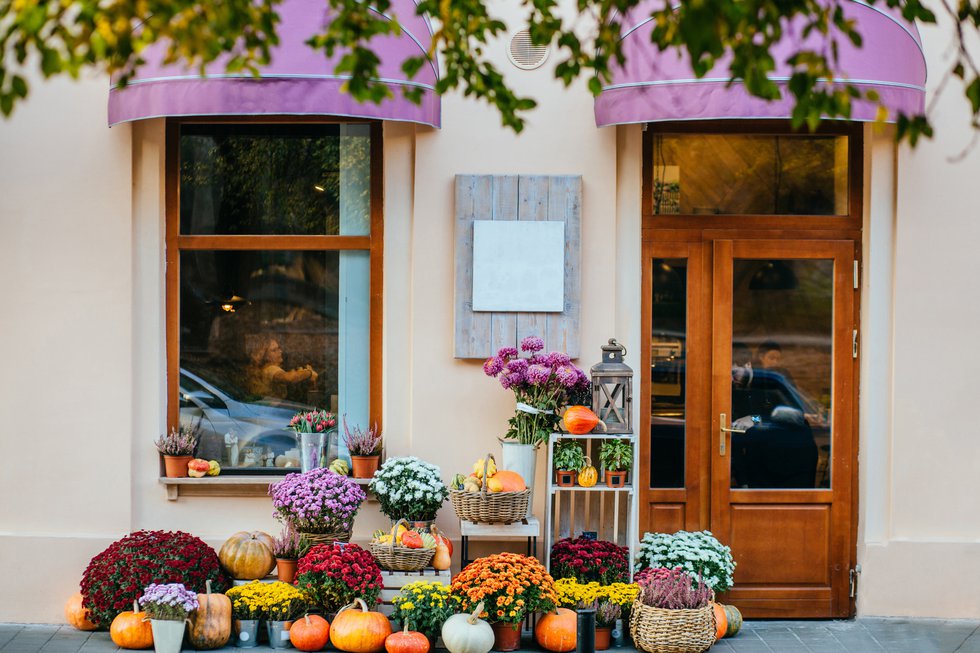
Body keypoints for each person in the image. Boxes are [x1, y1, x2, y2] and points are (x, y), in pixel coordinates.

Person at [245, 337, 318, 399]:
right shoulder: (271, 368)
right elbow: (289, 378)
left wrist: (300, 373)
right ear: (264, 355)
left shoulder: (265, 369)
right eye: (274, 350)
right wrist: (309, 373)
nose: (280, 351)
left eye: (279, 348)